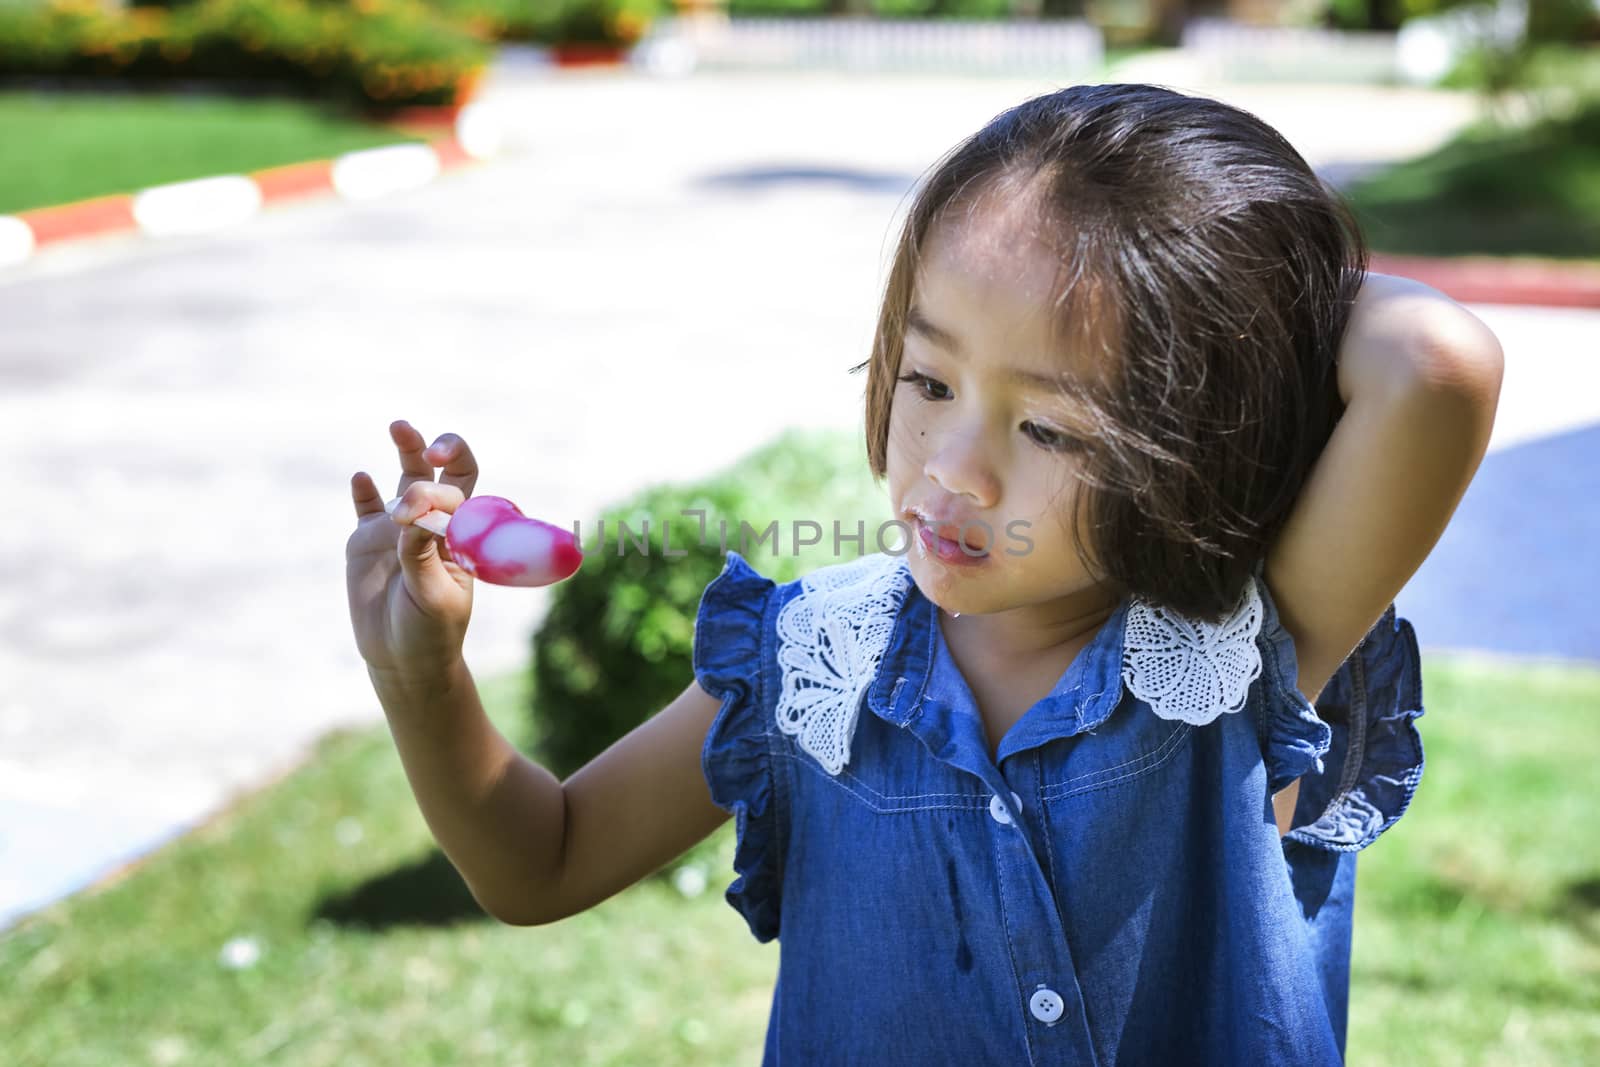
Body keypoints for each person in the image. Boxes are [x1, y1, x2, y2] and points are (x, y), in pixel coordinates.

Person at [345, 83, 1504, 1065]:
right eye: (929, 380)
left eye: (1051, 429)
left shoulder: (1234, 657)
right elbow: (538, 861)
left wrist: (1238, 298)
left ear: (1206, 439)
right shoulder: (812, 658)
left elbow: (1436, 365)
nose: (955, 471)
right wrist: (420, 677)